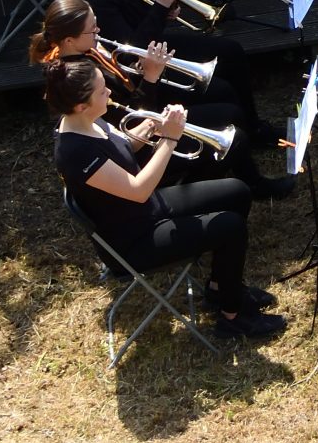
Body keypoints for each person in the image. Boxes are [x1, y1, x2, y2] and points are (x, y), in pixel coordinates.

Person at [48, 54, 285, 341]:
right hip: (133, 239)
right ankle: (233, 318)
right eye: (102, 91)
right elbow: (138, 189)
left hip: (146, 211)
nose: (109, 91)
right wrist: (170, 139)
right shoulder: (76, 152)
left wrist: (153, 125)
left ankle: (219, 288)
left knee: (237, 191)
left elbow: (124, 146)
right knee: (230, 226)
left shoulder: (88, 120)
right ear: (81, 105)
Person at [31, 0, 290, 198]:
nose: (98, 30)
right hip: (141, 145)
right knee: (234, 132)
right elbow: (132, 120)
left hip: (147, 120)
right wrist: (151, 78)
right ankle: (217, 185)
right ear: (68, 41)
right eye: (91, 29)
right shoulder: (80, 76)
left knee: (230, 109)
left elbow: (125, 89)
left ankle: (245, 176)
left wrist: (142, 72)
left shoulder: (88, 51)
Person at [61, 0, 273, 147]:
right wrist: (160, 8)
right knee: (223, 90)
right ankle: (240, 137)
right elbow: (131, 51)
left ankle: (254, 126)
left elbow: (142, 14)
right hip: (142, 67)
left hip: (155, 46)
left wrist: (164, 8)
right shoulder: (92, 1)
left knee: (231, 50)